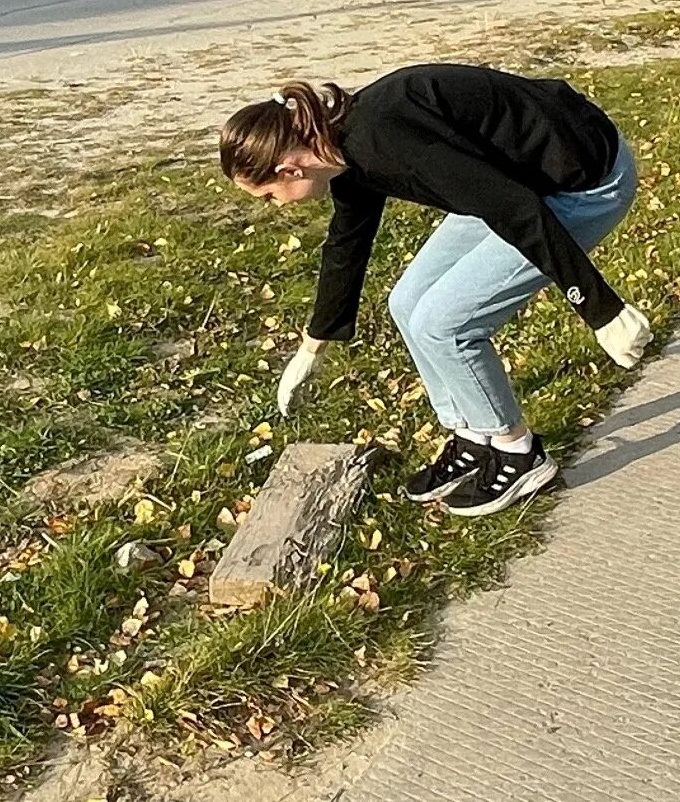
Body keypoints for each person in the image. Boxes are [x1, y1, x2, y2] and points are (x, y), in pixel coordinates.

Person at [219, 65, 652, 518]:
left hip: (582, 185)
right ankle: (472, 436)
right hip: (508, 181)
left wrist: (601, 309)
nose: (273, 207)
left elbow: (515, 210)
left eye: (268, 195)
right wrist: (313, 346)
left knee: (445, 324)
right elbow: (348, 241)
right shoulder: (336, 145)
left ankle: (518, 453)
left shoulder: (385, 138)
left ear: (289, 168)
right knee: (406, 304)